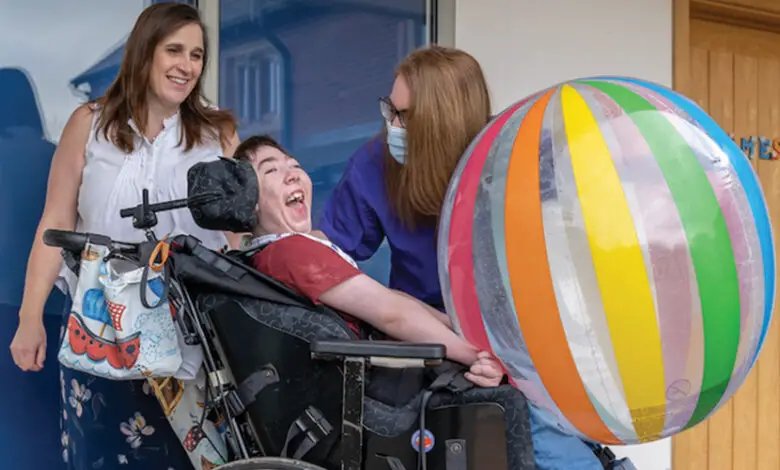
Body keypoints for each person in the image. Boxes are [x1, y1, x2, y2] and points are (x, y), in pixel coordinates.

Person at [317, 45, 626, 470]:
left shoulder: (514, 155)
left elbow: (578, 235)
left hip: (522, 344)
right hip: (432, 348)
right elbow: (328, 258)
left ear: (442, 124)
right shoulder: (376, 163)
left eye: (403, 116)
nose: (391, 126)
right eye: (390, 109)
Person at [9, 3, 239, 469]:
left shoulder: (218, 132)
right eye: (173, 50)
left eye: (196, 55)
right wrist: (30, 317)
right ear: (143, 53)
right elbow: (54, 225)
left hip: (191, 341)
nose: (186, 66)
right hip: (98, 336)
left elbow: (236, 239)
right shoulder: (88, 124)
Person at [235, 135, 503, 389]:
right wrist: (475, 356)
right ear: (249, 200)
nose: (292, 173)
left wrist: (458, 326)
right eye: (271, 171)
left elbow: (388, 299)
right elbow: (391, 314)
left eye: (294, 165)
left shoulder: (270, 253)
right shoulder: (292, 252)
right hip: (384, 384)